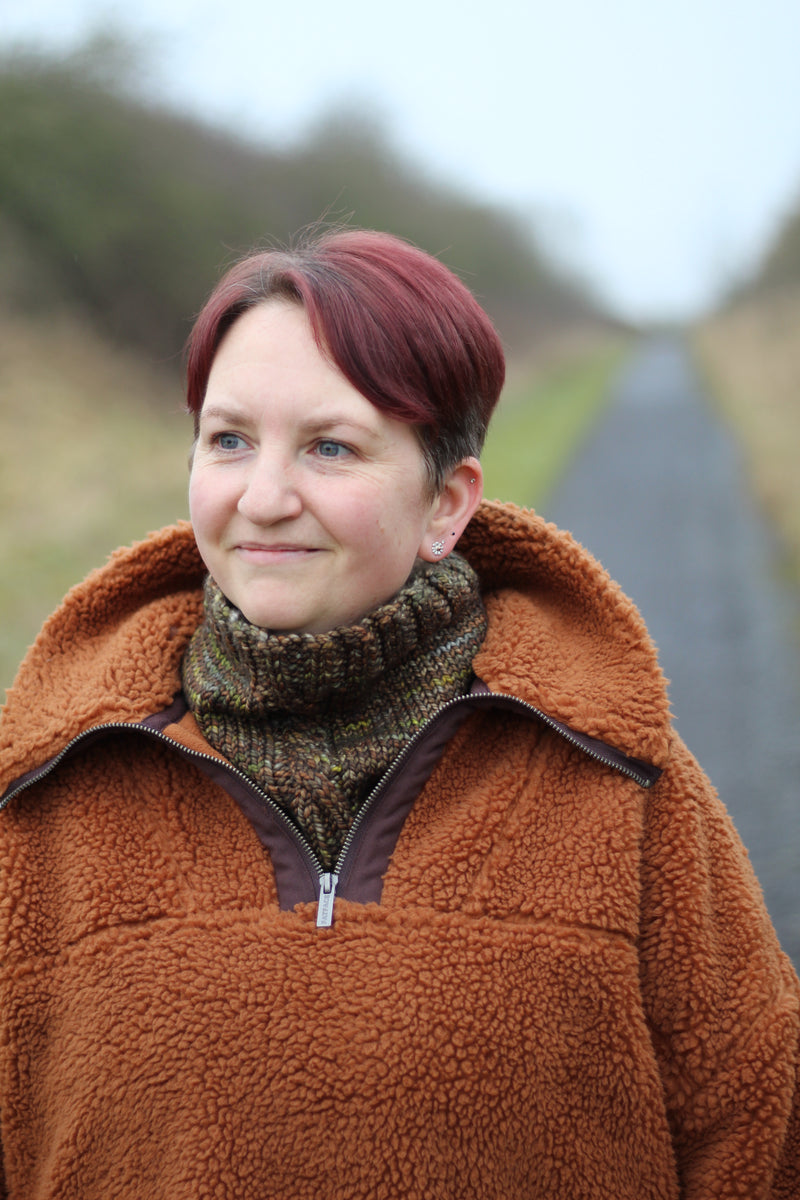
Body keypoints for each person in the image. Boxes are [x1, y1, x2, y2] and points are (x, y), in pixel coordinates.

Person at [0, 228, 797, 1200]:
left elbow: (757, 1130)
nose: (263, 496)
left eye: (329, 446)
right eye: (229, 440)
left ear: (443, 504)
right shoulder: (45, 792)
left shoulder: (619, 779)